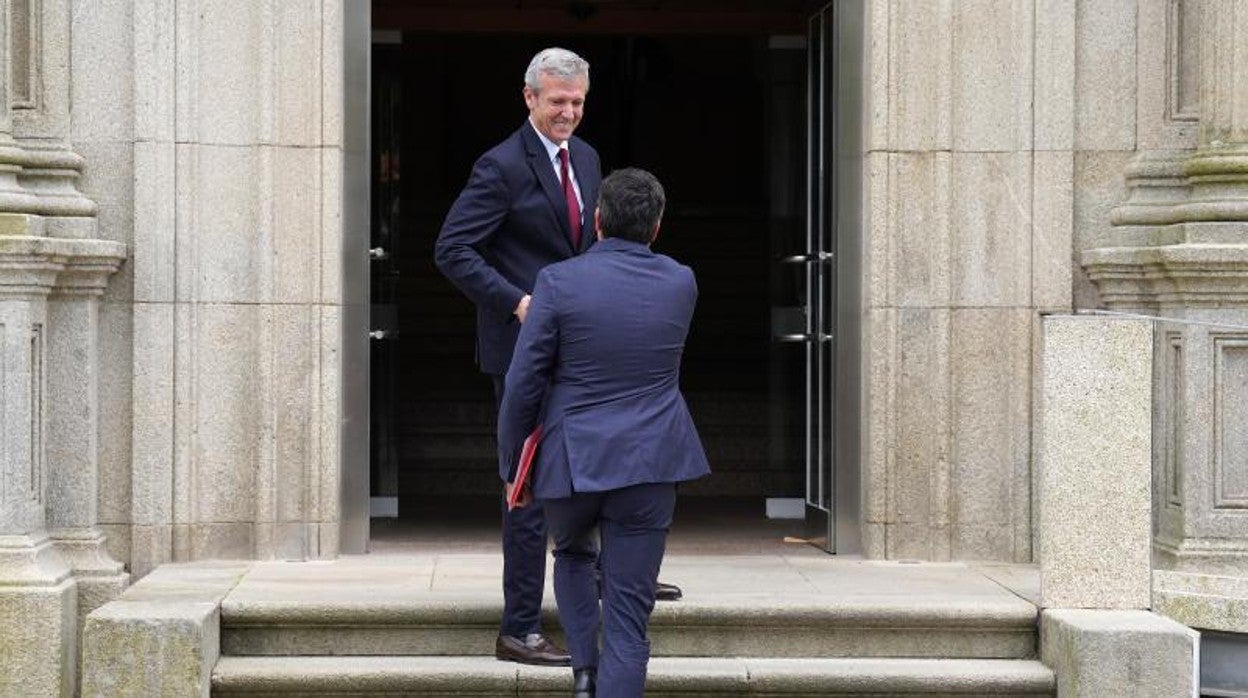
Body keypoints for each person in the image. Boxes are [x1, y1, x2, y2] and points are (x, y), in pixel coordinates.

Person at [434, 47, 679, 669]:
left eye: (577, 102)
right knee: (529, 484)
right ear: (529, 98)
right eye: (557, 102)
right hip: (523, 348)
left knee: (598, 464)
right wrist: (517, 301)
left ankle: (612, 575)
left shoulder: (590, 158)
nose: (569, 113)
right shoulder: (499, 167)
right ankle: (519, 626)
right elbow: (453, 249)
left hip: (587, 346)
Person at [498, 168, 711, 698]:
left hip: (574, 458)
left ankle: (585, 674)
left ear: (596, 221)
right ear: (657, 227)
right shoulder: (681, 281)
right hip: (651, 459)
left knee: (572, 555)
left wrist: (512, 467)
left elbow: (523, 382)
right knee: (629, 610)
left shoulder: (558, 281)